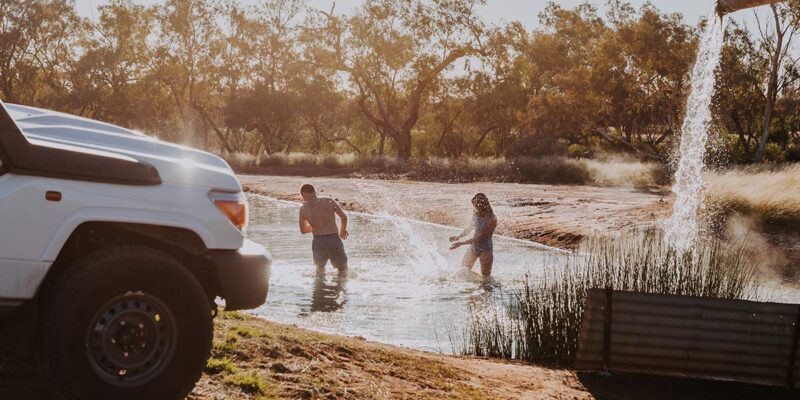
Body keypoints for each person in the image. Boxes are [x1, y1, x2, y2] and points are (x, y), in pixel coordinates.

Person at [299, 184, 349, 275]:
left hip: (318, 241)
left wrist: (315, 227)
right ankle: (341, 287)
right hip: (334, 239)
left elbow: (303, 230)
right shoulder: (328, 201)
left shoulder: (303, 209)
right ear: (314, 192)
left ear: (303, 195)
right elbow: (344, 217)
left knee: (320, 270)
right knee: (343, 269)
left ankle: (320, 288)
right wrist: (343, 230)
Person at [449, 193, 497, 278]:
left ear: (482, 205)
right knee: (463, 271)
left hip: (485, 249)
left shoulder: (492, 219)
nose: (474, 208)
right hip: (474, 247)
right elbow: (471, 226)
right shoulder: (476, 213)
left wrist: (461, 243)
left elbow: (479, 238)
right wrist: (458, 237)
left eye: (475, 205)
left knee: (486, 278)